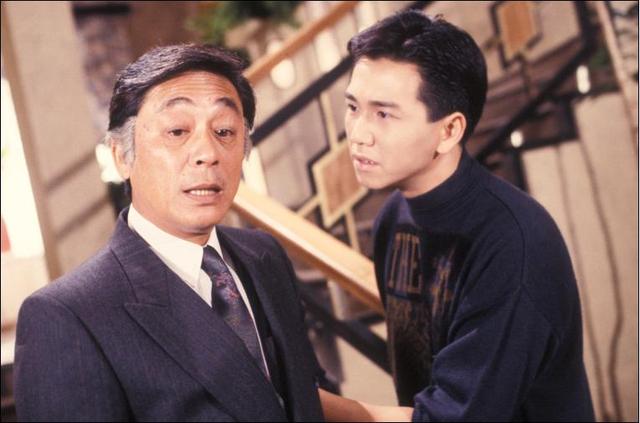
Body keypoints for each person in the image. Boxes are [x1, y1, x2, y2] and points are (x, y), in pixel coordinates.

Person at [14, 44, 324, 422]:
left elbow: (301, 394)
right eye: (177, 131)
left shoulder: (264, 255)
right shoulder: (65, 316)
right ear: (121, 156)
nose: (208, 153)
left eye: (224, 131)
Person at [320, 10, 595, 422]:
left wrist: (303, 402)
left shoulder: (514, 243)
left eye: (383, 114)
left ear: (448, 131)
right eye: (353, 107)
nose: (357, 134)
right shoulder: (393, 218)